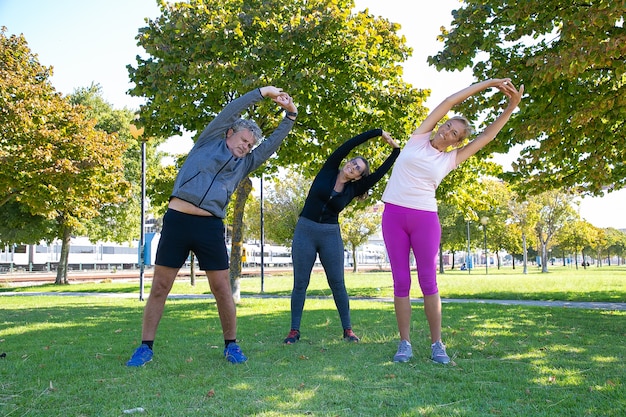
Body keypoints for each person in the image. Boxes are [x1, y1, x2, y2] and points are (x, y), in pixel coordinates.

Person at [127, 86, 298, 366]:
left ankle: (231, 345)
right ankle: (145, 347)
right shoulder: (209, 140)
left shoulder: (245, 163)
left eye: (250, 145)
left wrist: (290, 116)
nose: (246, 147)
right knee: (160, 287)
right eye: (243, 140)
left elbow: (272, 144)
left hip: (209, 228)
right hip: (178, 222)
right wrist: (261, 92)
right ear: (230, 133)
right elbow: (230, 111)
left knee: (221, 288)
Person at [381, 78, 524, 364]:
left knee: (428, 282)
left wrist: (511, 106)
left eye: (455, 134)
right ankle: (405, 343)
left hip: (424, 219)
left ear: (457, 142)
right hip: (394, 216)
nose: (448, 132)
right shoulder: (419, 137)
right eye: (448, 126)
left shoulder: (448, 160)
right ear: (441, 125)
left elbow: (487, 138)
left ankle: (437, 344)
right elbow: (449, 102)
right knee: (400, 282)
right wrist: (489, 84)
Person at [284, 129, 400, 344]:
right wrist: (378, 133)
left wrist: (395, 151)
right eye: (353, 163)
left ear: (358, 176)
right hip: (305, 230)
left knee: (337, 282)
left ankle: (348, 330)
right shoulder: (329, 169)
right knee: (300, 283)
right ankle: (294, 331)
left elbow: (380, 173)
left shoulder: (355, 188)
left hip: (329, 235)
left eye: (358, 169)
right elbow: (350, 143)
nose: (353, 167)